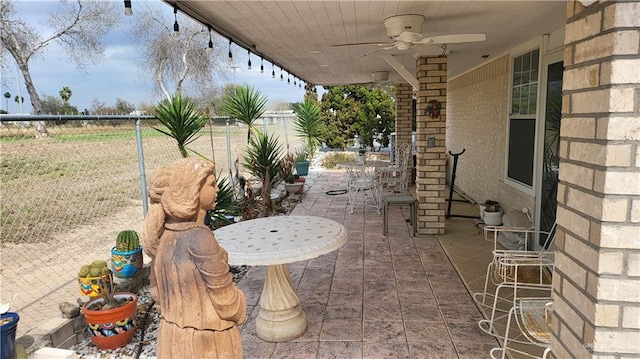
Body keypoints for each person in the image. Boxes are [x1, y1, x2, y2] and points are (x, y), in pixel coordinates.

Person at [142, 158, 246, 358]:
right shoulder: (200, 238)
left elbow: (157, 293)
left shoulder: (163, 236)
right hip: (207, 342)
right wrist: (241, 303)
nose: (217, 190)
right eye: (212, 184)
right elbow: (226, 301)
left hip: (171, 337)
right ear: (193, 190)